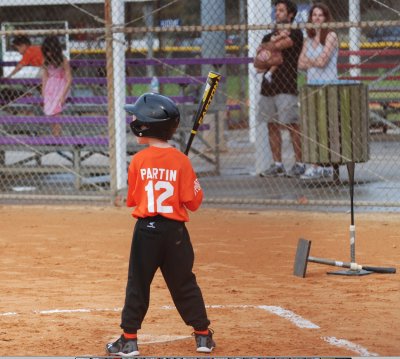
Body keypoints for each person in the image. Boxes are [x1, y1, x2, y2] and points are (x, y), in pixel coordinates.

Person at [105, 93, 215, 356]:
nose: (134, 120)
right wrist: (185, 172)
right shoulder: (182, 161)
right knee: (184, 283)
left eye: (137, 117)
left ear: (147, 125)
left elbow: (134, 199)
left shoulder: (139, 161)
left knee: (138, 284)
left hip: (146, 232)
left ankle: (129, 340)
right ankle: (202, 337)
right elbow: (194, 201)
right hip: (175, 233)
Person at [257, 0, 305, 178]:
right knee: (272, 125)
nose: (277, 13)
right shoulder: (268, 36)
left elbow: (275, 48)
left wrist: (269, 47)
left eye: (281, 10)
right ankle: (278, 164)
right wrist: (269, 46)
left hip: (287, 85)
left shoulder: (296, 33)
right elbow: (259, 63)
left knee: (292, 125)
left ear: (290, 14)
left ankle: (299, 163)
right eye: (276, 10)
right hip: (268, 86)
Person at [298, 3, 338, 180]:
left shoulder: (331, 36)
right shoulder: (308, 40)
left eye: (320, 15)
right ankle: (315, 165)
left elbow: (323, 63)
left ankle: (327, 165)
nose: (316, 19)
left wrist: (310, 61)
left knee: (326, 127)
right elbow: (300, 64)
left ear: (326, 18)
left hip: (327, 87)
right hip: (311, 88)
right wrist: (314, 61)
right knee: (312, 128)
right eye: (314, 15)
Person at [41, 36, 72, 137]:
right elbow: (45, 76)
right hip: (50, 87)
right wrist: (43, 91)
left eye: (50, 50)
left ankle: (57, 136)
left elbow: (69, 79)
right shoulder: (45, 61)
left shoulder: (63, 60)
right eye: (46, 51)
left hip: (61, 87)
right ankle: (54, 134)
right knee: (51, 113)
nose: (48, 53)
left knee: (57, 112)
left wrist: (63, 95)